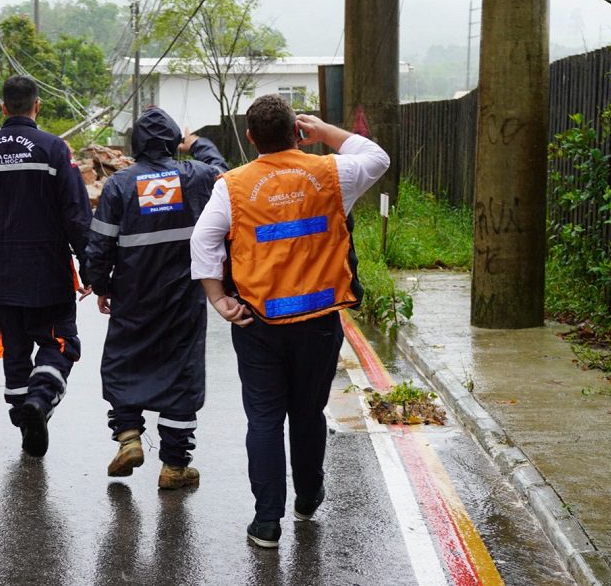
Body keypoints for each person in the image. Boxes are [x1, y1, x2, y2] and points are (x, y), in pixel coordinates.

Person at [189, 94, 389, 547]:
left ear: (250, 137)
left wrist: (220, 301)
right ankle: (308, 495)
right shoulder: (332, 173)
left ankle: (266, 523)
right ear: (297, 132)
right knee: (307, 412)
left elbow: (202, 242)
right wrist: (325, 133)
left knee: (263, 419)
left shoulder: (234, 186)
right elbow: (377, 156)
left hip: (259, 323)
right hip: (319, 320)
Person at [0, 75, 93, 458]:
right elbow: (76, 213)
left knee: (14, 347)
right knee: (59, 342)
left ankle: (23, 417)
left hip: (3, 272)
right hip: (48, 271)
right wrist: (92, 266)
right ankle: (40, 403)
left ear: (2, 108)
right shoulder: (54, 148)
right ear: (37, 106)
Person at [85, 107, 227, 490]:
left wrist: (100, 285)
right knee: (181, 373)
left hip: (134, 296)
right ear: (172, 142)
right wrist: (196, 143)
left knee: (125, 361)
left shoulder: (119, 185)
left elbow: (99, 245)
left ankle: (129, 437)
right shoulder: (197, 176)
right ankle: (175, 466)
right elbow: (223, 170)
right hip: (185, 297)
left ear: (136, 145)